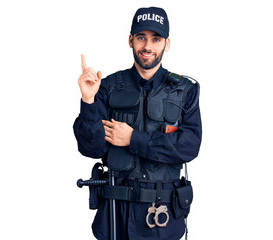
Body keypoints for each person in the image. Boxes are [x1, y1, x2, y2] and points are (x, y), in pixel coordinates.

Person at [73, 6, 202, 240]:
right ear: (130, 40)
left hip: (163, 219)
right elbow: (91, 149)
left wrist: (134, 139)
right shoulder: (107, 86)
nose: (148, 47)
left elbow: (189, 147)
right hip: (116, 217)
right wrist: (88, 100)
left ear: (167, 43)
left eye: (156, 38)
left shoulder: (185, 91)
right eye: (141, 37)